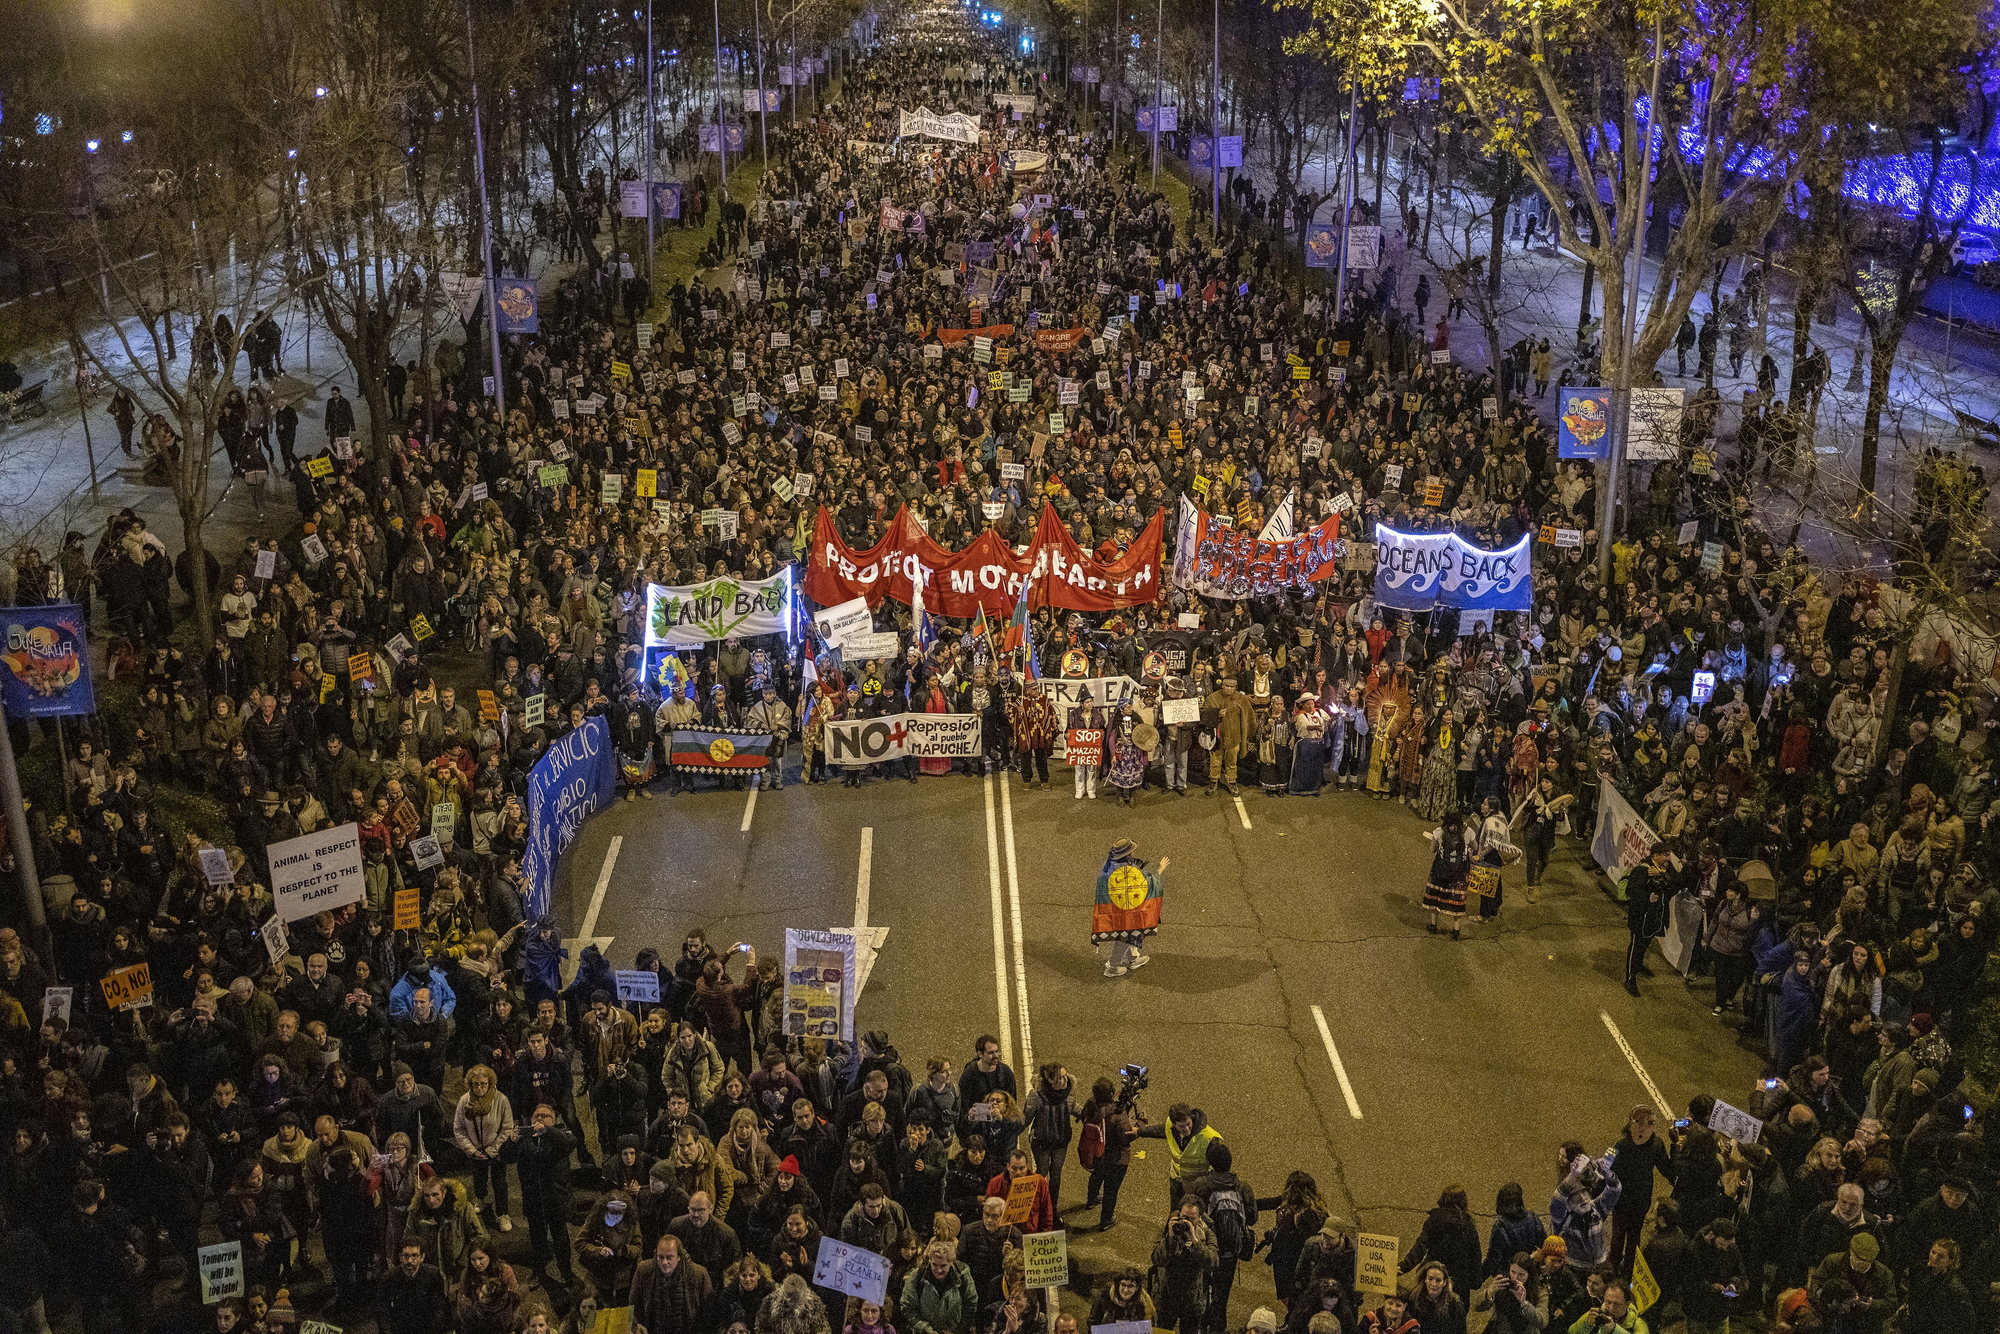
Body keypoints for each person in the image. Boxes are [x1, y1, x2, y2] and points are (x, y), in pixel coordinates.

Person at [1091, 838, 1169, 978]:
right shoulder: (1130, 872)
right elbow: (1149, 884)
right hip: (1129, 915)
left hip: (1116, 911)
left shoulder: (1108, 869)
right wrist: (1160, 869)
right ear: (1128, 855)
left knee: (1131, 936)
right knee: (1124, 940)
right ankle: (1112, 967)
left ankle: (1133, 959)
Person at [1623, 847, 1674, 997]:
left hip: (1654, 917)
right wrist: (1647, 897)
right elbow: (1631, 890)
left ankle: (1638, 965)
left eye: (1668, 855)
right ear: (1655, 855)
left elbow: (1675, 882)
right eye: (1665, 855)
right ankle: (1630, 978)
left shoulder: (1664, 869)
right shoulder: (1642, 870)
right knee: (1636, 946)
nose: (1668, 859)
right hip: (1641, 917)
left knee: (1645, 944)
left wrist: (1661, 875)